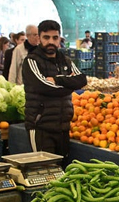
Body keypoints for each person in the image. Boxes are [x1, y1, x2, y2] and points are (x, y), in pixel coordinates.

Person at [22, 20, 86, 157]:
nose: (51, 41)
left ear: (59, 39)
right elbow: (43, 87)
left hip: (63, 126)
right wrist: (69, 85)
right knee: (44, 169)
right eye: (46, 37)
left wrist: (57, 80)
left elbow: (81, 80)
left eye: (55, 38)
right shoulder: (31, 61)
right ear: (39, 38)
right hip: (40, 126)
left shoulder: (65, 60)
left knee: (62, 171)